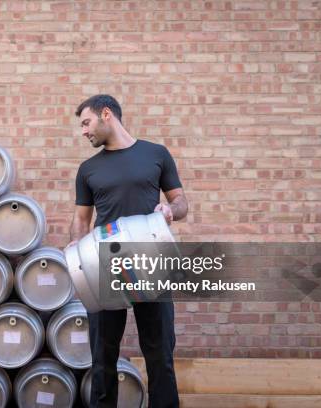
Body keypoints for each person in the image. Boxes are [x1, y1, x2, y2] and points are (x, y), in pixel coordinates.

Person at [68, 95, 188, 408]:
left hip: (152, 260)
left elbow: (181, 202)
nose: (84, 131)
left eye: (86, 122)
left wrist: (170, 210)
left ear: (106, 114)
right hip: (107, 264)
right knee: (103, 357)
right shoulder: (88, 169)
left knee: (159, 353)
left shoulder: (156, 154)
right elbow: (81, 221)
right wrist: (76, 254)